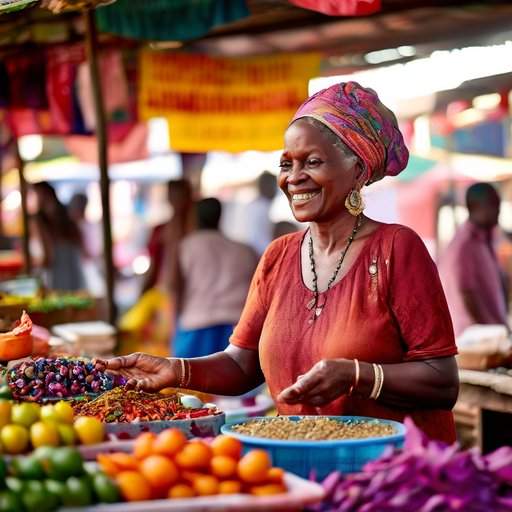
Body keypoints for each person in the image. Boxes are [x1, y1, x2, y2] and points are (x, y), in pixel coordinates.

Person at [97, 82, 459, 443]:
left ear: (358, 169)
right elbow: (242, 365)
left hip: (393, 472)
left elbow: (442, 381)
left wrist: (355, 375)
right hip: (306, 462)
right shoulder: (278, 256)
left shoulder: (396, 248)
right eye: (286, 163)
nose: (294, 177)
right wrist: (176, 369)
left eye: (312, 162)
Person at [171, 197, 258, 358]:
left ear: (195, 217)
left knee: (189, 380)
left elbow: (174, 286)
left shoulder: (186, 246)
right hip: (237, 327)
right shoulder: (245, 250)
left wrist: (174, 324)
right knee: (234, 381)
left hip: (195, 324)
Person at [438, 183, 508, 336]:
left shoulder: (485, 239)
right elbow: (466, 293)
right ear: (475, 207)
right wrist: (487, 331)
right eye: (494, 205)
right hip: (475, 339)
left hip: (490, 334)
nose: (498, 211)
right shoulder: (465, 244)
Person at [140, 179, 194, 295]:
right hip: (164, 291)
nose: (177, 200)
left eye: (179, 195)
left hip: (189, 292)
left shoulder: (194, 231)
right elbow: (153, 265)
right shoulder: (160, 230)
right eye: (173, 195)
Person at [32, 182, 85, 291]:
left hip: (65, 259)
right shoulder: (60, 212)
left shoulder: (43, 218)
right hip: (64, 260)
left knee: (65, 292)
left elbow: (48, 252)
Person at [244, 171, 277, 255]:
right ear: (265, 186)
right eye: (274, 186)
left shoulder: (255, 205)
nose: (276, 190)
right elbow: (259, 240)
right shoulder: (260, 207)